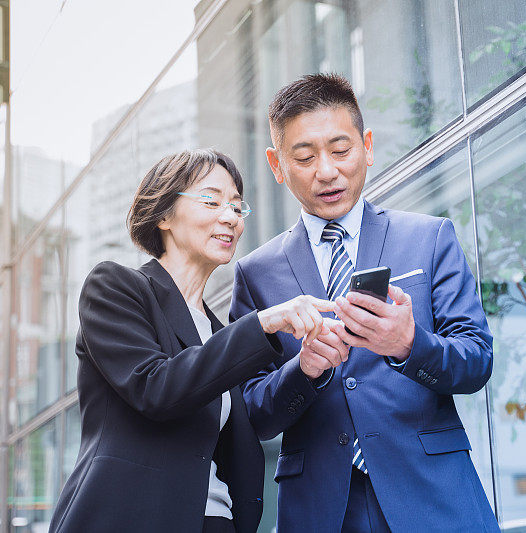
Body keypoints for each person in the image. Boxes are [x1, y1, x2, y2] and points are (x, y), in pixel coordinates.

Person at [230, 74, 498, 532]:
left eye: (340, 150)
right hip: (321, 509)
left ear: (367, 146)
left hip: (433, 497)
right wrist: (305, 370)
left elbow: (477, 361)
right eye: (305, 156)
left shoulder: (430, 238)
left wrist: (409, 344)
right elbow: (250, 413)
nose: (326, 171)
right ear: (278, 165)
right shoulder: (256, 273)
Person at [49, 149, 340, 533]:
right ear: (165, 214)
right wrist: (263, 323)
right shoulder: (115, 288)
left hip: (217, 520)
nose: (230, 217)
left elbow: (253, 423)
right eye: (212, 201)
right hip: (128, 517)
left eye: (237, 207)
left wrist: (307, 370)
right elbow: (157, 387)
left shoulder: (222, 333)